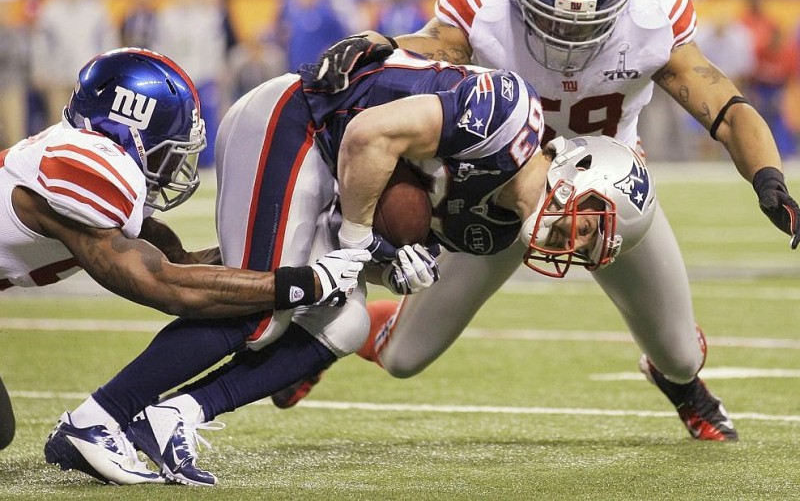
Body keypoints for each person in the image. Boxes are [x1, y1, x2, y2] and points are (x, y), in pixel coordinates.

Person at [293, 0, 800, 442]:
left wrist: (768, 178)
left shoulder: (652, 12)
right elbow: (436, 48)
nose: (564, 36)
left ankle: (678, 382)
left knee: (679, 354)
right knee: (403, 358)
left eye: (583, 23)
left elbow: (723, 104)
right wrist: (384, 46)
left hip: (605, 197)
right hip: (498, 190)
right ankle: (344, 338)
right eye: (550, 17)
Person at [44, 48, 655, 486]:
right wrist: (365, 242)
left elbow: (382, 226)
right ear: (580, 172)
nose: (573, 239)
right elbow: (366, 136)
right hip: (294, 122)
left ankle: (172, 416)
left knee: (343, 325)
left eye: (590, 241)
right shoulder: (505, 116)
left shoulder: (490, 226)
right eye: (588, 221)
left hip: (329, 166)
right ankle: (95, 419)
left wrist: (394, 264)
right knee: (259, 307)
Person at [0, 47, 370, 464]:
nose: (174, 161)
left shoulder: (77, 156)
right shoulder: (82, 166)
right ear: (125, 129)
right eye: (165, 146)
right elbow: (165, 287)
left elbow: (182, 261)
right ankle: (97, 423)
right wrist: (305, 283)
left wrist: (326, 248)